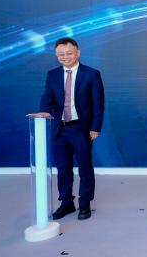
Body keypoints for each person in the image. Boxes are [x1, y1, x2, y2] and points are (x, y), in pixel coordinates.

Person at [34, 37, 105, 220]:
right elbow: (47, 97)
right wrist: (42, 112)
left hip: (81, 129)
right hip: (60, 129)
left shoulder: (91, 74)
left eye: (68, 53)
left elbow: (98, 104)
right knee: (63, 168)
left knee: (84, 167)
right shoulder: (53, 74)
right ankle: (66, 204)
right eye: (60, 54)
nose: (65, 57)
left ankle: (84, 204)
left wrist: (95, 127)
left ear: (78, 53)